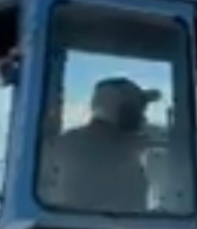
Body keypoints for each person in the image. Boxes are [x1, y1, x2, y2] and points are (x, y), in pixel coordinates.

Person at [41, 77, 159, 214]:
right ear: (122, 110)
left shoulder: (65, 143)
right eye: (138, 108)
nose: (143, 116)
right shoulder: (122, 149)